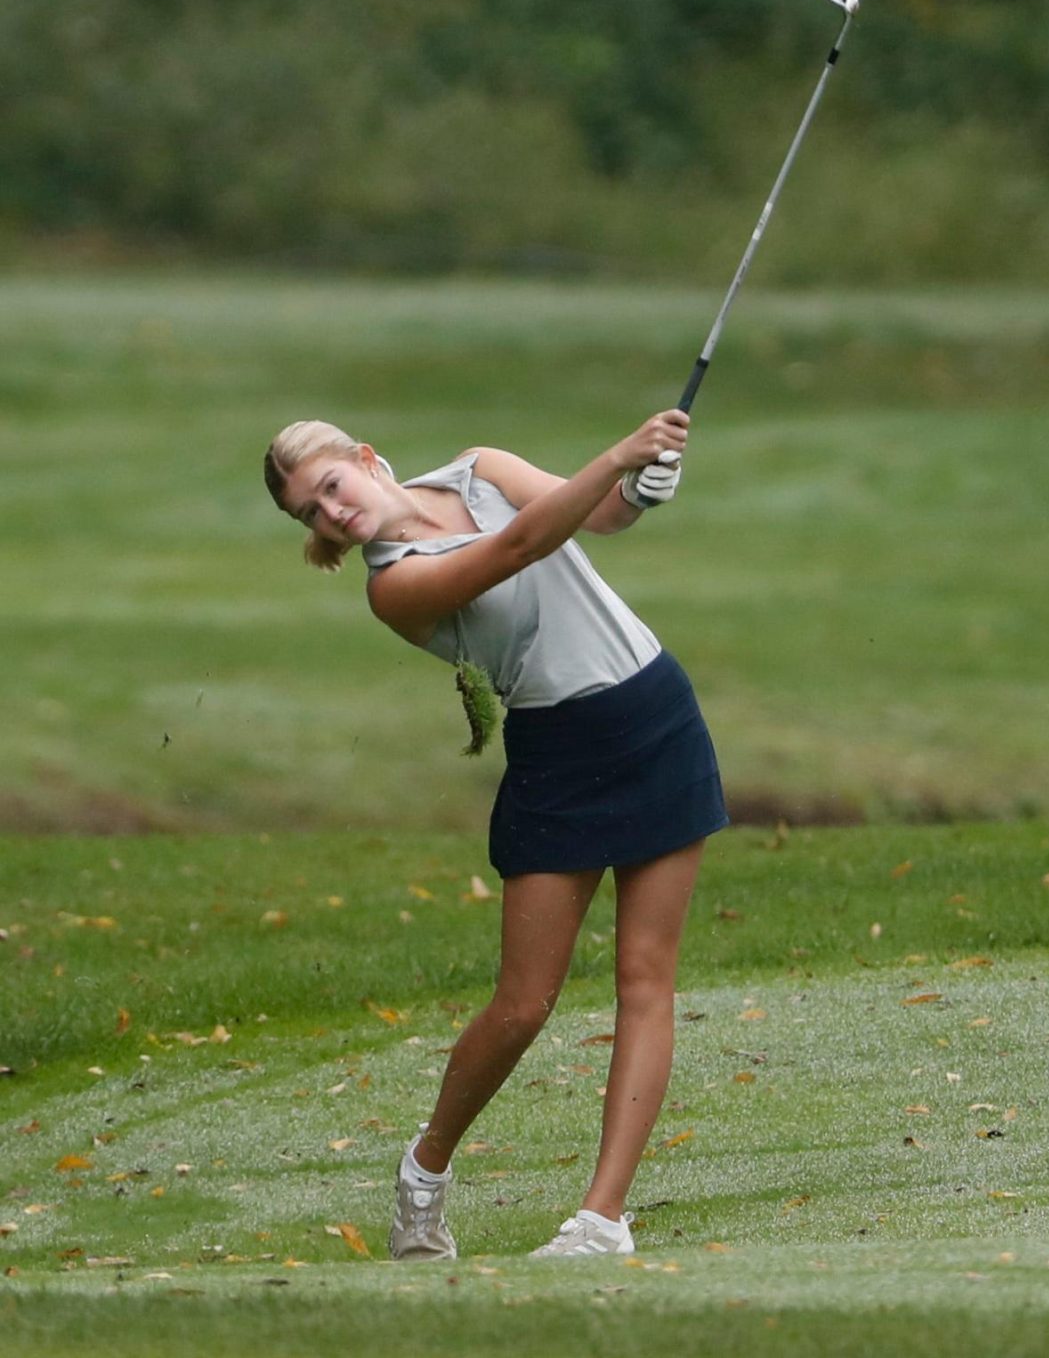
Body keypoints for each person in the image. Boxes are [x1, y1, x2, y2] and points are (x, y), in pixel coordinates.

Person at [263, 410, 729, 1258]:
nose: (329, 513)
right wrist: (617, 452)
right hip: (561, 753)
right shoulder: (395, 586)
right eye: (309, 513)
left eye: (330, 486)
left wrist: (639, 486)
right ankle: (424, 1171)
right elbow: (518, 550)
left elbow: (600, 516)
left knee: (645, 978)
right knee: (522, 1005)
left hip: (657, 713)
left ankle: (601, 1219)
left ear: (365, 460)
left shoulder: (481, 467)